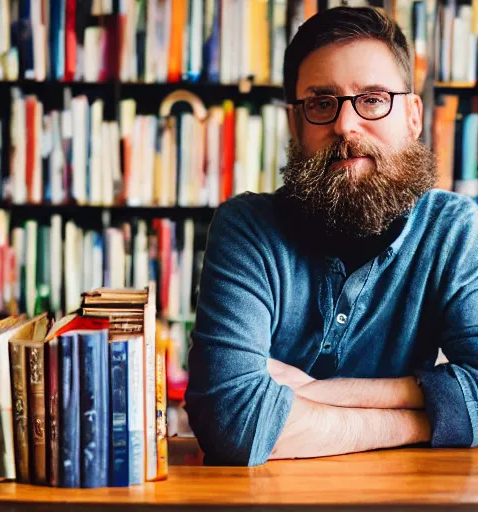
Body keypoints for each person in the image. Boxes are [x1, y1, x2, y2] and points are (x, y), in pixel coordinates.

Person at [185, 6, 478, 466]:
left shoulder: (456, 230)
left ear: (414, 115)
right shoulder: (246, 229)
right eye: (322, 103)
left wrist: (315, 395)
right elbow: (231, 422)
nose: (345, 125)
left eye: (374, 98)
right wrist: (430, 413)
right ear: (296, 124)